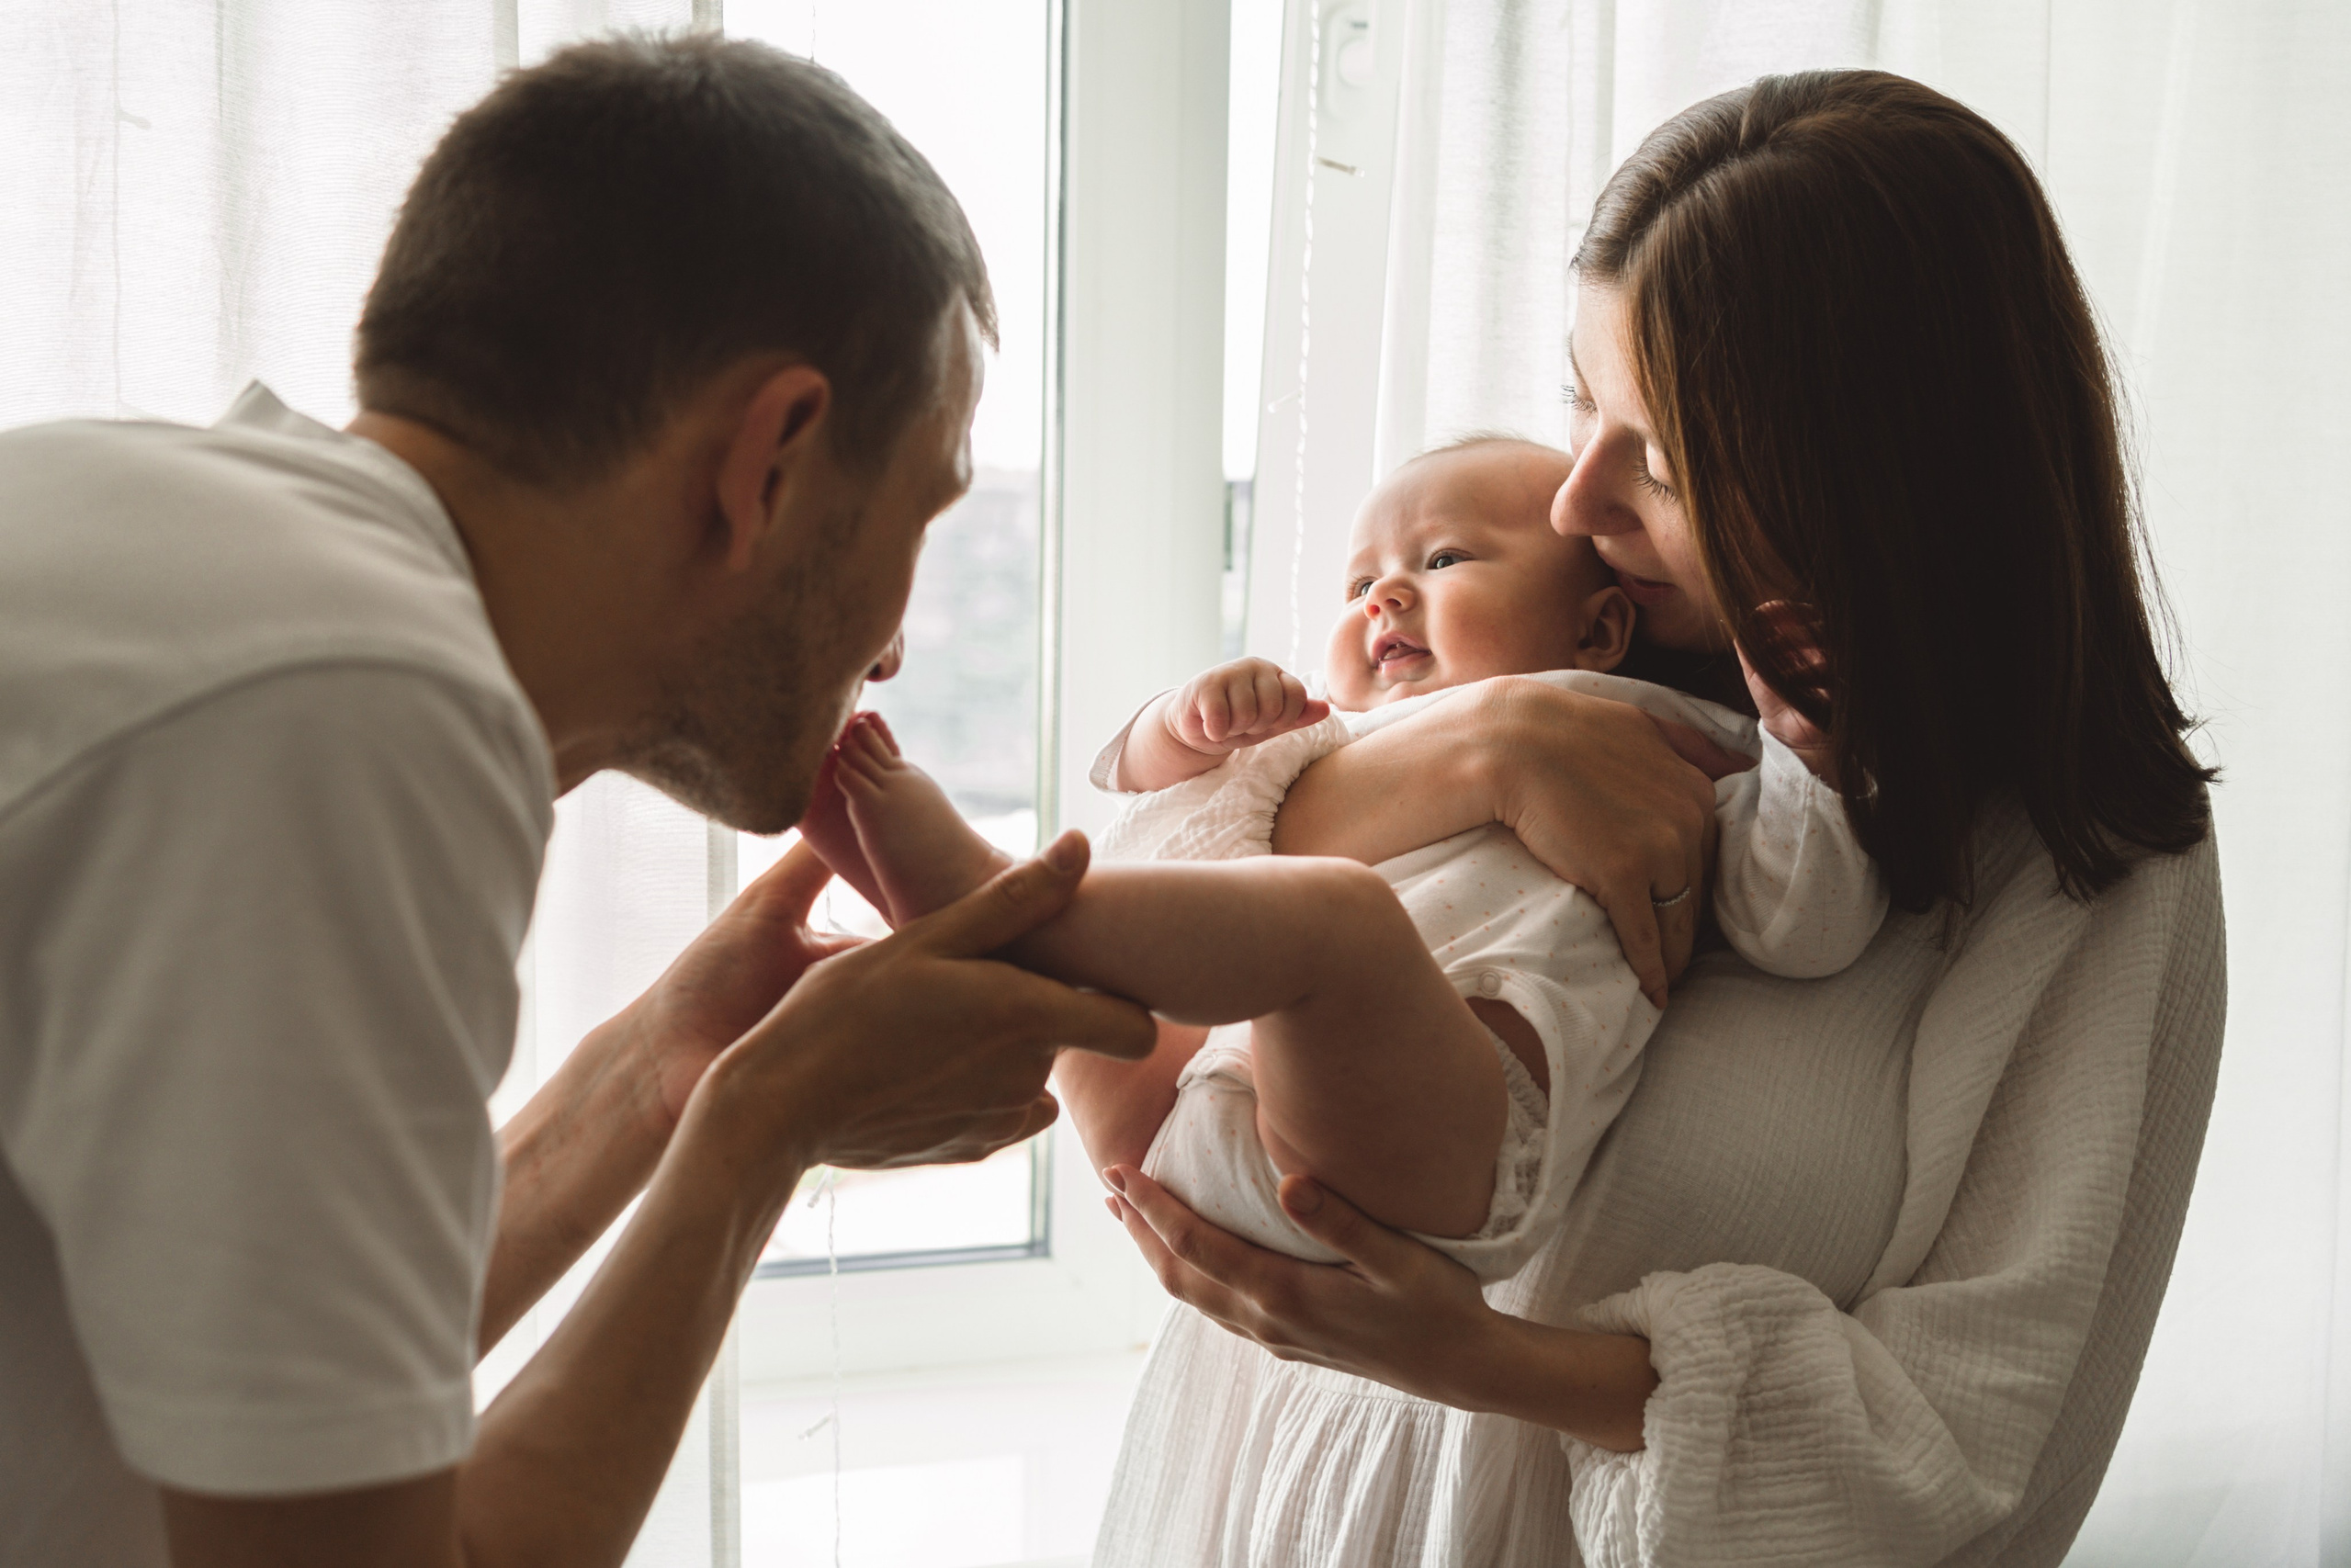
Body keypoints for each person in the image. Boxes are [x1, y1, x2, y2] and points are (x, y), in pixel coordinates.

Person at [0, 36, 1156, 1568]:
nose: (889, 643)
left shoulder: (153, 533)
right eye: (920, 510)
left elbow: (288, 1400)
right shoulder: (346, 703)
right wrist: (763, 1129)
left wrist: (655, 1081)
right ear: (770, 456)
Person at [1074, 69, 2228, 1564]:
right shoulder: (1542, 665)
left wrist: (1469, 1358)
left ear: (1866, 492)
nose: (1572, 501)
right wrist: (1477, 741)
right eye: (1579, 399)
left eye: (1661, 456)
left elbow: (1972, 1435)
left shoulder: (2083, 881)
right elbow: (1176, 888)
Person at [803, 435, 1882, 1289]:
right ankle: (968, 892)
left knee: (1328, 916)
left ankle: (1003, 904)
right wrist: (1179, 728)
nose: (1383, 597)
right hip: (1194, 1131)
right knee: (1110, 1004)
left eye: (1443, 559)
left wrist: (1811, 749)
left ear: (1599, 631)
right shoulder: (1337, 738)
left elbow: (1798, 914)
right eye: (1360, 578)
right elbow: (1168, 816)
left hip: (1457, 1131)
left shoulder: (1660, 733)